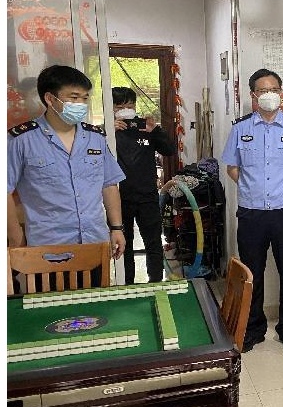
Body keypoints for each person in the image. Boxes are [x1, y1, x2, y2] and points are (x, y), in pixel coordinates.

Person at [221, 68, 283, 352]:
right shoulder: (240, 129)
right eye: (263, 90)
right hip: (252, 212)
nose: (269, 95)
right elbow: (232, 168)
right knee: (252, 272)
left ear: (281, 93)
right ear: (253, 95)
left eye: (274, 90)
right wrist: (254, 188)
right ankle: (253, 328)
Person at [7, 65, 126, 261]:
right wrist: (16, 241)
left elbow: (109, 184)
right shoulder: (21, 140)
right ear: (50, 98)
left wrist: (116, 227)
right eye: (74, 97)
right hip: (47, 251)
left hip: (95, 244)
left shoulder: (95, 137)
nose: (81, 104)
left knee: (97, 283)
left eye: (85, 98)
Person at [112, 86, 177, 284]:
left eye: (130, 105)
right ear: (111, 107)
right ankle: (127, 285)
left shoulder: (144, 127)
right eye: (120, 107)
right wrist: (108, 130)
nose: (126, 110)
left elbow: (169, 150)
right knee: (124, 244)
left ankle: (155, 283)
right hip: (119, 198)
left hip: (147, 195)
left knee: (153, 242)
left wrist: (155, 130)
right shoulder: (106, 130)